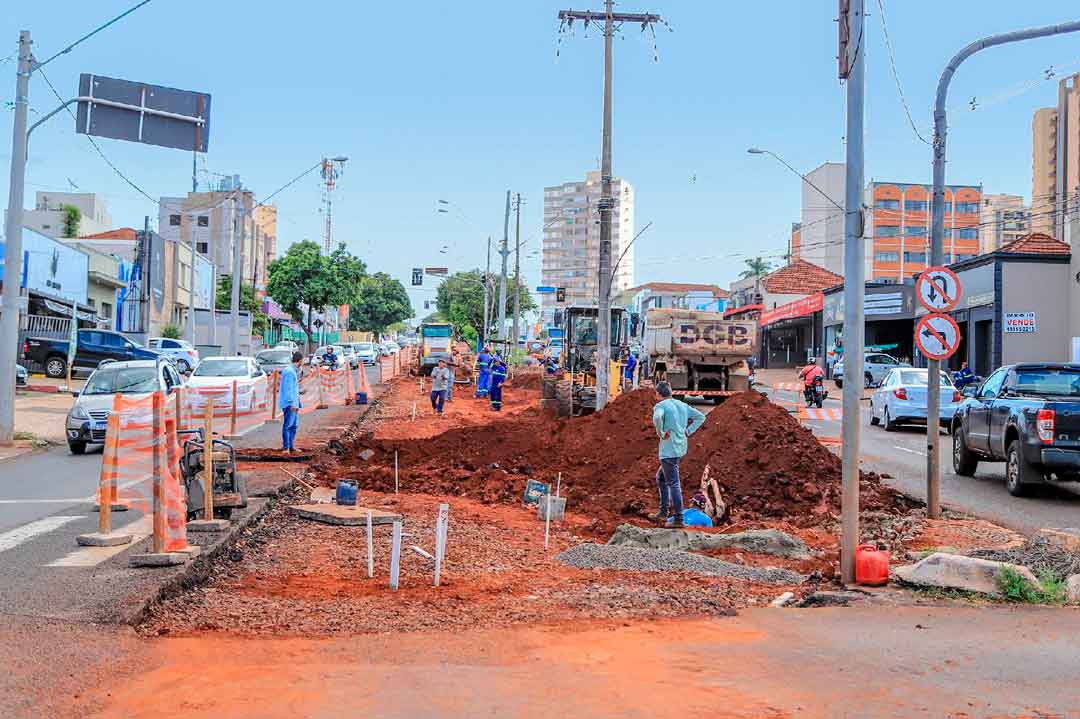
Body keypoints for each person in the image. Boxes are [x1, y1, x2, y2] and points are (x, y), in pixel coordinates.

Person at [651, 380, 706, 528]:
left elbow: (657, 418)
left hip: (669, 451)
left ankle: (678, 519)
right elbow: (701, 416)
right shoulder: (682, 405)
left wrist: (661, 433)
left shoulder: (661, 406)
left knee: (673, 483)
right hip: (681, 448)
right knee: (661, 477)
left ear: (658, 394)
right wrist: (688, 431)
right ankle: (663, 512)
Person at [279, 351, 303, 453]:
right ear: (300, 360)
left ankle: (291, 446)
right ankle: (286, 447)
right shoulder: (289, 372)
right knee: (288, 425)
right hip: (290, 404)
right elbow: (288, 389)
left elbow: (292, 388)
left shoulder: (292, 371)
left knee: (294, 426)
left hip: (294, 403)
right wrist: (292, 403)